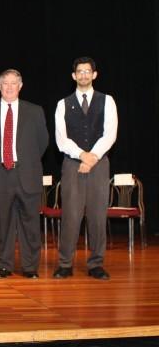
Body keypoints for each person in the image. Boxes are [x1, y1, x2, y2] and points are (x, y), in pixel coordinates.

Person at [0, 69, 48, 279]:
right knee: (3, 224)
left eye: (13, 83)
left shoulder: (35, 111)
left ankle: (30, 267)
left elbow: (42, 142)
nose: (9, 87)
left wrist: (25, 162)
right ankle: (4, 265)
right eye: (5, 83)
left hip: (26, 174)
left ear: (20, 86)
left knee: (30, 225)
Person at [53, 57, 118, 280]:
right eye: (79, 72)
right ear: (73, 76)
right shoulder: (63, 104)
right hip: (72, 164)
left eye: (87, 71)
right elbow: (61, 139)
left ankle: (96, 264)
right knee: (71, 215)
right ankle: (64, 264)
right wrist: (81, 155)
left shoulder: (107, 101)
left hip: (99, 164)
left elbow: (110, 134)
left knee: (98, 215)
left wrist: (93, 157)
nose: (83, 75)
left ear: (94, 74)